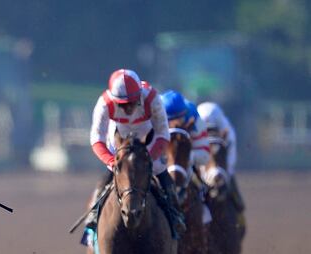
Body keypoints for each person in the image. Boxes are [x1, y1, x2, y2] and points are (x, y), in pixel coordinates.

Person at [84, 69, 185, 239]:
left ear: (140, 96)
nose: (129, 108)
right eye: (123, 105)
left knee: (162, 173)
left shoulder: (152, 98)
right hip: (118, 137)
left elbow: (162, 133)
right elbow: (96, 139)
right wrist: (112, 161)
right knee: (110, 175)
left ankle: (175, 215)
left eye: (133, 102)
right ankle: (93, 216)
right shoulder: (104, 103)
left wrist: (149, 158)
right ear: (115, 101)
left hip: (148, 134)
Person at [197, 101, 245, 214]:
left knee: (230, 178)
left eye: (212, 131)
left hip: (222, 160)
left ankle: (238, 204)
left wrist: (227, 172)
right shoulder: (196, 128)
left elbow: (231, 155)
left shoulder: (228, 132)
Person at [159, 90, 210, 171]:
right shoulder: (154, 116)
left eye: (180, 120)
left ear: (186, 114)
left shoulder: (195, 120)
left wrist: (185, 156)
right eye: (171, 122)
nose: (176, 125)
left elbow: (205, 157)